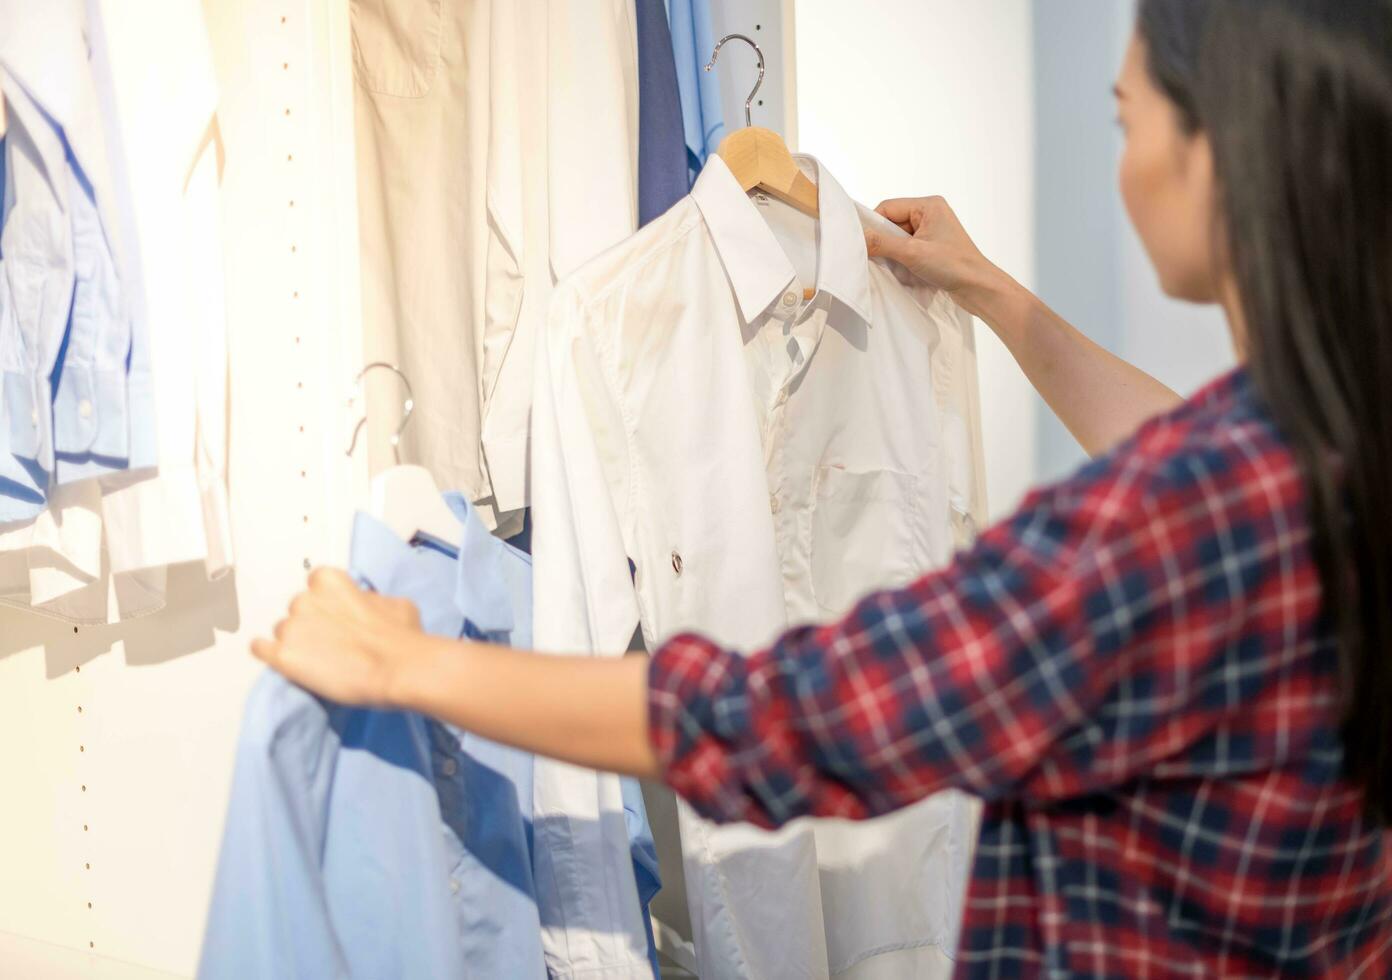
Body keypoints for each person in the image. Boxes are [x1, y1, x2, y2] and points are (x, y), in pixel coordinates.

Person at [253, 0, 1392, 973]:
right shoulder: (1334, 452)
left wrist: (411, 662)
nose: (1123, 155)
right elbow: (1211, 453)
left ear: (1223, 152)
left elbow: (796, 716)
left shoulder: (1159, 525)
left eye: (1128, 117)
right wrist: (996, 292)